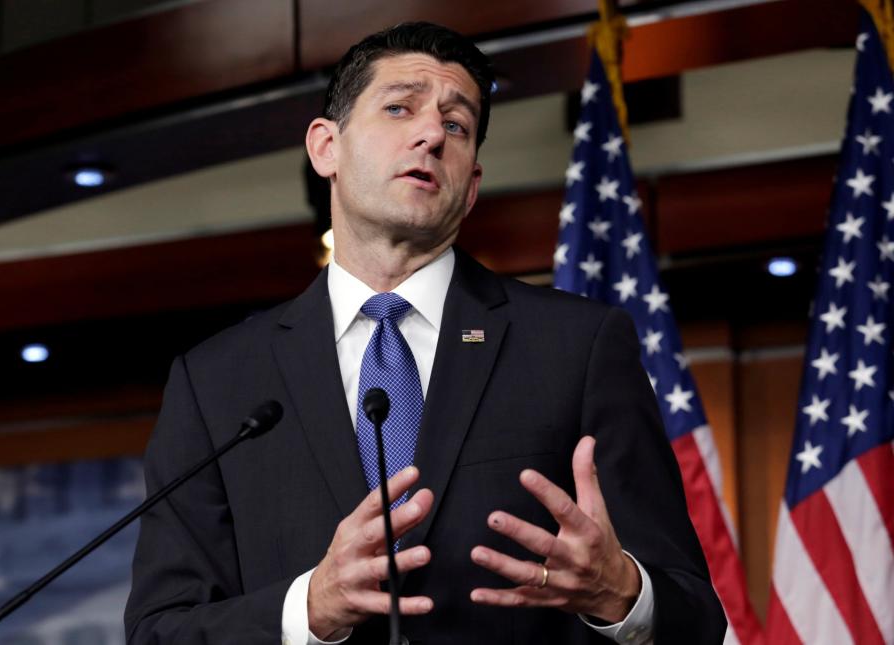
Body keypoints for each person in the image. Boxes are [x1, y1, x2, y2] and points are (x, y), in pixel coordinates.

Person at [125, 22, 725, 644]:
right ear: (326, 146)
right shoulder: (217, 381)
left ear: (471, 188)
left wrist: (621, 593)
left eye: (457, 125)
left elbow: (695, 614)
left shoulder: (577, 345)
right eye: (398, 108)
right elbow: (159, 631)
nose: (433, 133)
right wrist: (309, 607)